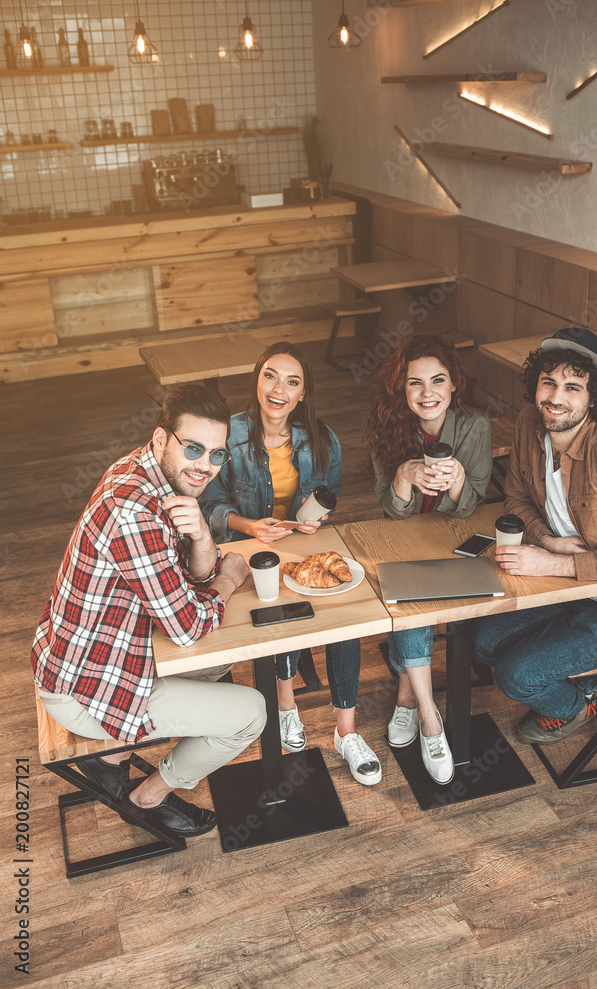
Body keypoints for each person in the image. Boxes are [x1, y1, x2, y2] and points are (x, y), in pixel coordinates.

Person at [31, 384, 267, 837]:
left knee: (221, 660)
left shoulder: (147, 471)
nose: (204, 466)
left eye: (217, 454)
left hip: (99, 652)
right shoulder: (134, 512)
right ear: (162, 439)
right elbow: (187, 625)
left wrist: (202, 536)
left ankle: (114, 757)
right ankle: (146, 796)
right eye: (193, 448)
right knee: (252, 714)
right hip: (84, 686)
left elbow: (192, 577)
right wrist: (229, 580)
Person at [473, 327, 597, 747]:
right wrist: (546, 540)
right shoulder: (529, 422)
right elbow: (516, 497)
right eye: (549, 382)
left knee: (514, 676)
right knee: (482, 644)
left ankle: (577, 703)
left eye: (572, 387)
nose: (555, 398)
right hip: (570, 583)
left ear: (593, 398)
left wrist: (556, 563)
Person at [199, 342, 382, 786]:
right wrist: (250, 525)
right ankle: (285, 706)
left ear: (303, 394)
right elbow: (209, 504)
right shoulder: (229, 434)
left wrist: (315, 519)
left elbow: (329, 496)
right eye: (270, 376)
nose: (278, 389)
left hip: (303, 547)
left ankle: (346, 731)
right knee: (280, 611)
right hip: (247, 551)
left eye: (292, 382)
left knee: (346, 617)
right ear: (257, 380)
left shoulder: (323, 438)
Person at [364, 334, 492, 783]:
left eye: (438, 380)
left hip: (454, 539)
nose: (427, 393)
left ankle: (406, 695)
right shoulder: (386, 426)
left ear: (454, 383)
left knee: (408, 602)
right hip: (407, 539)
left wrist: (456, 480)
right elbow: (393, 513)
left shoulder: (475, 426)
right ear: (400, 388)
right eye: (414, 382)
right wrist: (404, 476)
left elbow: (469, 507)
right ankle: (429, 715)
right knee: (407, 597)